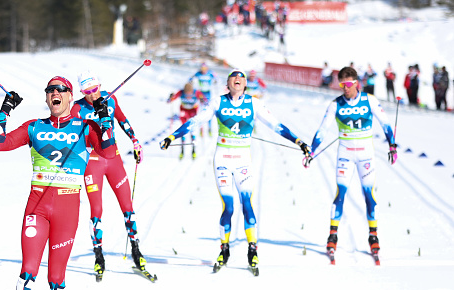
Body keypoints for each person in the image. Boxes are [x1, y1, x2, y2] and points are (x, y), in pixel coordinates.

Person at [0, 76, 116, 290]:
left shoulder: (85, 127)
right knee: (28, 271)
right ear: (47, 98)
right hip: (37, 208)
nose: (55, 93)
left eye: (61, 90)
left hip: (67, 210)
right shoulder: (35, 127)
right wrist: (5, 110)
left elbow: (108, 150)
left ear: (71, 97)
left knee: (56, 276)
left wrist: (105, 120)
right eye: (50, 90)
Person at [160, 69, 310, 275]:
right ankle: (224, 250)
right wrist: (171, 137)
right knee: (228, 207)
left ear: (245, 84)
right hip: (222, 159)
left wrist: (298, 141)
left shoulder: (254, 104)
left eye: (241, 78)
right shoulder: (217, 102)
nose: (238, 79)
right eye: (233, 77)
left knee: (247, 203)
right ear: (227, 84)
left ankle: (252, 249)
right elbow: (195, 122)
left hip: (243, 161)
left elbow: (277, 126)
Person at [307, 66, 397, 262]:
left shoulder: (369, 101)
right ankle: (332, 237)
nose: (344, 88)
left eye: (348, 84)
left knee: (369, 196)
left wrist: (392, 146)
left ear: (356, 83)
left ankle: (373, 237)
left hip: (365, 156)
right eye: (341, 85)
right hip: (345, 156)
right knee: (340, 194)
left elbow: (386, 123)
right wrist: (312, 151)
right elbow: (322, 130)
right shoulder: (335, 104)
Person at [70, 70, 150, 280]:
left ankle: (136, 251)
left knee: (128, 207)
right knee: (96, 210)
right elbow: (72, 135)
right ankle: (99, 258)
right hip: (93, 162)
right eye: (87, 91)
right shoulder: (78, 108)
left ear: (100, 86)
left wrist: (135, 141)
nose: (92, 95)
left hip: (114, 159)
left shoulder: (110, 98)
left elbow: (123, 120)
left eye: (95, 89)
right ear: (81, 91)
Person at [167, 82, 207, 159]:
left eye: (189, 93)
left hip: (193, 110)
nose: (188, 95)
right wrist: (171, 97)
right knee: (183, 129)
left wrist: (202, 100)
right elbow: (170, 101)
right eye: (186, 93)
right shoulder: (181, 92)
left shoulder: (196, 92)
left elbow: (205, 101)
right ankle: (182, 151)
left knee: (192, 129)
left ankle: (194, 150)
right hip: (184, 111)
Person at [191, 63, 218, 136]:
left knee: (208, 109)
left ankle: (209, 127)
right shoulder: (198, 73)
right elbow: (191, 78)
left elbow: (217, 77)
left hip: (208, 93)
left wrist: (215, 81)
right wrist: (191, 81)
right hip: (200, 93)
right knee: (200, 109)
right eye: (202, 69)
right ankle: (201, 127)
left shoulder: (210, 73)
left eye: (204, 69)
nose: (203, 71)